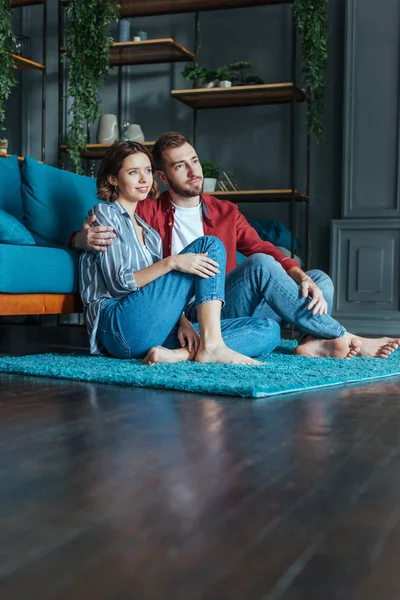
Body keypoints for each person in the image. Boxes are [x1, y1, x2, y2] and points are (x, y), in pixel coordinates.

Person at [73, 133, 399, 360]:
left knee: (314, 283)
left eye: (194, 161)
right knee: (254, 273)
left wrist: (301, 276)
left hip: (217, 303)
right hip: (172, 310)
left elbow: (263, 247)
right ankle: (343, 336)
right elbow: (103, 230)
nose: (193, 171)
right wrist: (77, 239)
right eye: (179, 166)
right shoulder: (145, 208)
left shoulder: (224, 211)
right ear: (163, 175)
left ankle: (315, 342)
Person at [79, 141, 284, 365]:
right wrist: (172, 262)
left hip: (151, 327)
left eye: (147, 171)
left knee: (268, 329)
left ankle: (185, 353)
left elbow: (156, 293)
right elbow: (120, 284)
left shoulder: (150, 234)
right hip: (117, 327)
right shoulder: (105, 214)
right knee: (209, 246)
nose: (144, 179)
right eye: (133, 172)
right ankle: (211, 346)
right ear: (113, 179)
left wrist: (183, 323)